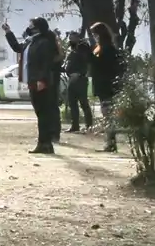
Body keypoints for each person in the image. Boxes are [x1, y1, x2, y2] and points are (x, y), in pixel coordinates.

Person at [5, 18, 62, 154]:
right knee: (40, 113)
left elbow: (45, 63)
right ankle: (44, 143)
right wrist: (8, 32)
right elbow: (17, 48)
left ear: (37, 27)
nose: (28, 27)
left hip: (40, 81)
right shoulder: (31, 41)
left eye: (31, 25)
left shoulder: (44, 42)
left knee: (43, 113)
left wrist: (42, 80)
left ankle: (45, 143)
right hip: (31, 80)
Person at [89, 21, 123, 153]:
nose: (94, 37)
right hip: (103, 85)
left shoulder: (108, 49)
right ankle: (109, 142)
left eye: (95, 34)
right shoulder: (102, 48)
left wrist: (90, 58)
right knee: (107, 114)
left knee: (108, 115)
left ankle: (111, 143)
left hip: (107, 86)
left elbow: (104, 66)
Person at [63, 30, 94, 133]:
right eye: (70, 38)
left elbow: (87, 61)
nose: (70, 40)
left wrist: (82, 73)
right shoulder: (71, 48)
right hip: (71, 78)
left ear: (77, 37)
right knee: (72, 103)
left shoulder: (83, 46)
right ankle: (74, 125)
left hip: (80, 78)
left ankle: (89, 125)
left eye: (72, 38)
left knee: (83, 102)